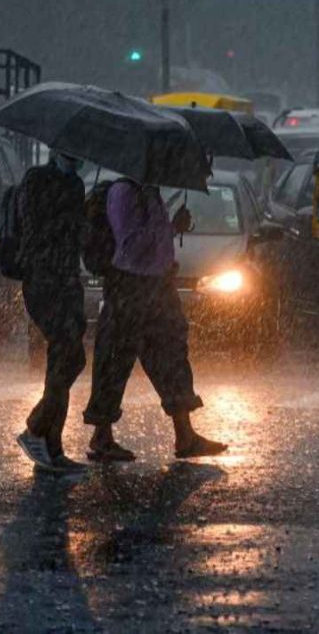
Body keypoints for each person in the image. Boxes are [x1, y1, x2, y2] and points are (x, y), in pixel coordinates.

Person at [83, 180, 227, 462]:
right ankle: (102, 436)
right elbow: (130, 244)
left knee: (171, 355)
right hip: (131, 286)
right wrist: (160, 228)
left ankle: (185, 434)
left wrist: (173, 227)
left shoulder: (151, 193)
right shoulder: (123, 193)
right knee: (115, 359)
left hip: (159, 285)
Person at [15, 152, 89, 473]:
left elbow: (75, 239)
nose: (76, 159)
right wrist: (71, 217)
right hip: (44, 280)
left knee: (69, 359)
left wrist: (84, 224)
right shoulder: (36, 179)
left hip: (68, 279)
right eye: (71, 153)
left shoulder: (75, 184)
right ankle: (38, 431)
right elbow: (36, 229)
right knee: (66, 355)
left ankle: (49, 441)